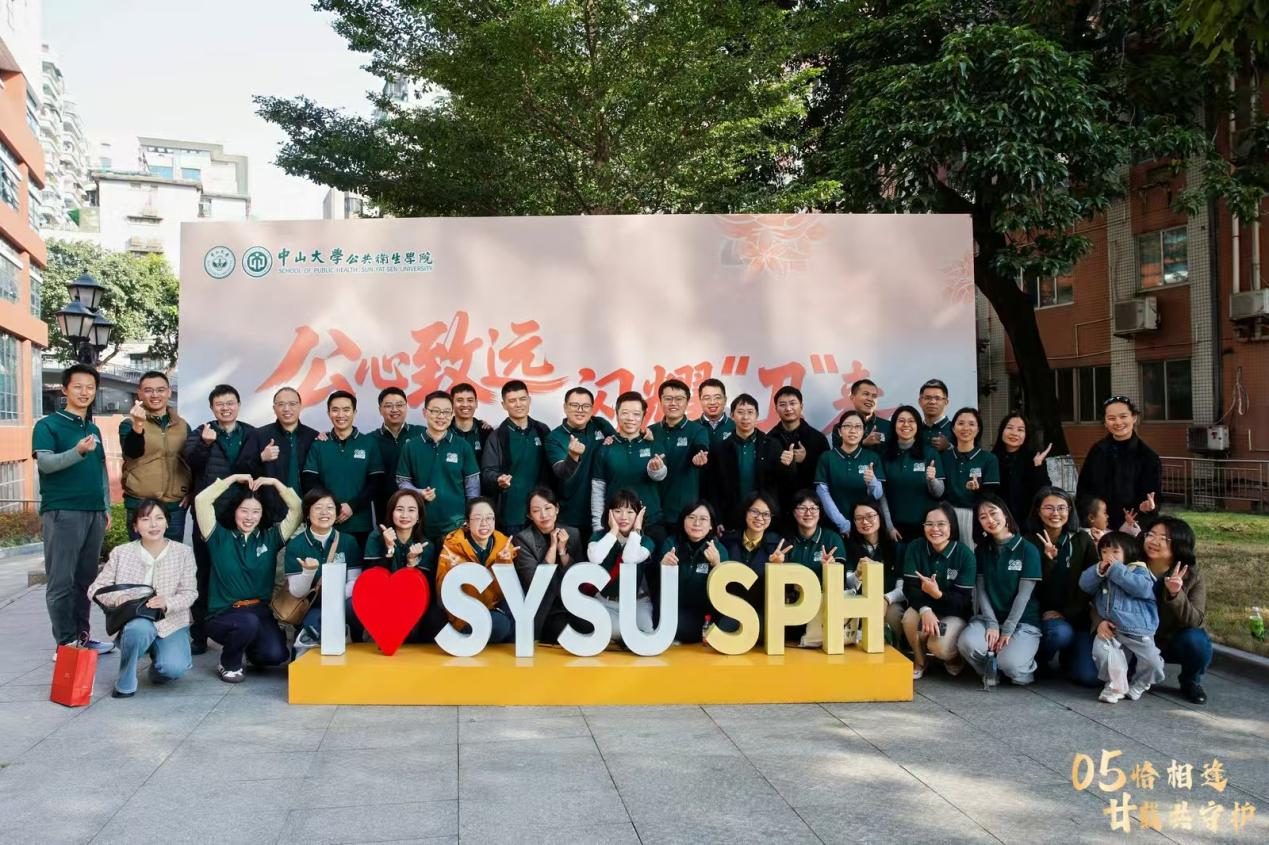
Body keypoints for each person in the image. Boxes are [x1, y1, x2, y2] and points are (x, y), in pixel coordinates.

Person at [33, 364, 114, 655]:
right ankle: (66, 645)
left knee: (85, 581)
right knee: (61, 582)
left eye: (90, 387)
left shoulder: (92, 428)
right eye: (78, 386)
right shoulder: (47, 425)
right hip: (63, 511)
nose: (84, 392)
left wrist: (106, 506)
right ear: (65, 389)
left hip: (94, 512)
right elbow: (46, 464)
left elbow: (101, 470)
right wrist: (77, 451)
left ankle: (83, 637)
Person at [195, 473, 301, 683]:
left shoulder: (270, 538)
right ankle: (229, 663)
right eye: (244, 510)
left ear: (262, 514)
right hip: (224, 613)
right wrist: (233, 479)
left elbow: (297, 509)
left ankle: (246, 647)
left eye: (255, 511)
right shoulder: (218, 536)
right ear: (234, 511)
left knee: (275, 655)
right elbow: (201, 501)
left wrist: (275, 482)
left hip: (259, 612)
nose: (249, 517)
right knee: (247, 623)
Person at [88, 500, 197, 697]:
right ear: (135, 526)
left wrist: (168, 603)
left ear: (167, 522)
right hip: (135, 618)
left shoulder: (183, 552)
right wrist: (118, 597)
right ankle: (125, 680)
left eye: (159, 518)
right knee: (139, 629)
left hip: (170, 622)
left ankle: (158, 666)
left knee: (173, 668)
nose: (153, 525)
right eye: (145, 519)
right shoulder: (121, 552)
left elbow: (190, 592)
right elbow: (95, 588)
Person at [183, 383, 257, 654]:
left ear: (238, 405)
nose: (226, 408)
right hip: (209, 516)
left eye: (230, 403)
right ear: (212, 408)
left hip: (241, 517)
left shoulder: (251, 433)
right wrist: (205, 444)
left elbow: (255, 468)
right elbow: (190, 461)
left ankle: (241, 630)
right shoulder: (201, 431)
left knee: (237, 574)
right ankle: (200, 634)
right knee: (204, 573)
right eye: (220, 404)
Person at [958, 495, 1043, 685]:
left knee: (1012, 666)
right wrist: (992, 623)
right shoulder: (981, 550)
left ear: (1005, 514)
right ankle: (992, 670)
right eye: (983, 517)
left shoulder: (1027, 549)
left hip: (1022, 622)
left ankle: (1020, 666)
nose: (990, 520)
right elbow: (980, 590)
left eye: (993, 513)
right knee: (967, 644)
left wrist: (1008, 629)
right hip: (990, 619)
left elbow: (1024, 595)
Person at [1080, 531, 1166, 703]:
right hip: (1111, 628)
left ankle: (1140, 684)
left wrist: (1116, 570)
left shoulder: (1139, 570)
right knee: (1105, 655)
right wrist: (1098, 571)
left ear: (1128, 552)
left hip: (1138, 629)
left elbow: (1142, 589)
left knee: (1152, 662)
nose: (1109, 556)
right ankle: (1115, 687)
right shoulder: (1102, 571)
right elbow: (1084, 585)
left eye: (1115, 552)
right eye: (1104, 552)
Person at [1026, 487, 1098, 685]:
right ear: (1038, 511)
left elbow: (1093, 582)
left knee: (1088, 677)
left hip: (1076, 615)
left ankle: (1069, 656)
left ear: (1070, 510)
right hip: (1044, 617)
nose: (1055, 513)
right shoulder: (1028, 541)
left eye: (1061, 508)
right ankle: (1040, 658)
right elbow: (1030, 587)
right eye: (1048, 508)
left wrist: (1067, 613)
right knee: (1060, 633)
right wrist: (1048, 561)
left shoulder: (1082, 540)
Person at [284, 488, 365, 657]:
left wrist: (332, 600)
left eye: (329, 508)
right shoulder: (296, 545)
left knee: (354, 607)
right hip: (311, 605)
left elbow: (354, 581)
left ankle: (355, 648)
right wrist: (308, 572)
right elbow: (296, 592)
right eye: (318, 508)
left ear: (336, 512)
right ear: (307, 513)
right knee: (313, 631)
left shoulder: (348, 542)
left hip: (341, 602)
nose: (324, 513)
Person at [302, 390, 385, 548]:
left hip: (360, 524)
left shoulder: (369, 443)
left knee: (358, 564)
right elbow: (309, 482)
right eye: (335, 410)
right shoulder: (319, 444)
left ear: (354, 412)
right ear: (328, 413)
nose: (341, 415)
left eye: (346, 410)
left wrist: (352, 506)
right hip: (326, 523)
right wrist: (333, 507)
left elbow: (376, 483)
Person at [901, 502, 974, 679]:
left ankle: (953, 658)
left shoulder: (964, 554)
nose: (935, 529)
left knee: (939, 646)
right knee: (909, 619)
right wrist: (925, 610)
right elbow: (909, 587)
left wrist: (937, 594)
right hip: (925, 608)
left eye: (941, 524)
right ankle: (920, 661)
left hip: (954, 614)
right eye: (929, 524)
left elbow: (962, 601)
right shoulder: (915, 547)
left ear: (951, 526)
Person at [1142, 517, 1211, 704]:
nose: (1154, 541)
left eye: (1163, 538)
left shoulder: (1192, 574)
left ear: (1180, 545)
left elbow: (1196, 619)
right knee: (1089, 677)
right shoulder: (1132, 562)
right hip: (1133, 638)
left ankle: (1191, 681)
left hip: (1169, 640)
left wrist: (1175, 594)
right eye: (1151, 534)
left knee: (1196, 640)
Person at [396, 390, 480, 542]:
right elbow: (402, 482)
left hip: (456, 525)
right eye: (435, 411)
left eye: (447, 412)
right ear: (425, 412)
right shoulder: (411, 446)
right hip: (420, 525)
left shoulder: (463, 446)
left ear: (452, 414)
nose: (441, 416)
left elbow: (472, 486)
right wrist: (419, 493)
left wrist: (472, 516)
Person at [363, 489, 446, 643]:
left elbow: (424, 591)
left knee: (433, 617)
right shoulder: (376, 537)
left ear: (419, 516)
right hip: (382, 601)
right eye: (399, 509)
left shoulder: (425, 545)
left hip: (411, 604)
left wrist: (411, 564)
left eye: (411, 510)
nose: (405, 515)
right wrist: (389, 550)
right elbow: (370, 581)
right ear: (391, 512)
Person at [119, 370, 190, 541]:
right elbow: (132, 452)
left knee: (172, 554)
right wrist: (138, 424)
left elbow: (191, 460)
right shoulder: (129, 423)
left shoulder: (182, 425)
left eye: (160, 390)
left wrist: (192, 491)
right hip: (140, 504)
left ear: (169, 392)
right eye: (148, 390)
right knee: (140, 555)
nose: (155, 395)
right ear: (139, 393)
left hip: (174, 506)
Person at [591, 391, 669, 545]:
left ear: (643, 416)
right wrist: (597, 525)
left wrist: (656, 469)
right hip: (616, 525)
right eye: (625, 413)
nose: (630, 418)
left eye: (636, 414)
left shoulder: (654, 444)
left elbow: (661, 476)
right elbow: (598, 489)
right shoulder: (606, 447)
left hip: (651, 522)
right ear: (617, 414)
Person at [437, 498, 518, 643]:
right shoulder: (451, 548)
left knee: (516, 612)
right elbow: (441, 594)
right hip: (466, 616)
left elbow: (505, 592)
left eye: (489, 518)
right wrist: (453, 573)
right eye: (477, 518)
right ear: (467, 522)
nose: (484, 523)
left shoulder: (504, 546)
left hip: (493, 607)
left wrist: (503, 563)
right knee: (501, 625)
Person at [1077, 396, 1162, 532]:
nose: (1118, 422)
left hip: (1132, 528)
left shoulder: (1148, 456)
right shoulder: (1098, 450)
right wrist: (1090, 519)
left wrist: (1149, 507)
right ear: (1105, 422)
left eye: (1123, 416)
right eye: (1111, 418)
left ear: (1134, 418)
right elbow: (1083, 490)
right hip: (1098, 528)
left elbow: (1154, 498)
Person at [512, 487, 583, 644]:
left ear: (556, 509)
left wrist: (562, 551)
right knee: (564, 634)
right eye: (536, 511)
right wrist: (553, 547)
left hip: (571, 603)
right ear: (529, 515)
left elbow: (579, 577)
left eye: (548, 508)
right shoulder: (522, 540)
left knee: (588, 627)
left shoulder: (573, 534)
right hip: (545, 608)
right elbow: (536, 584)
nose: (543, 515)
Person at [544, 387, 615, 543]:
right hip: (570, 516)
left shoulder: (600, 424)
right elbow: (561, 472)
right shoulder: (554, 437)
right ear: (565, 407)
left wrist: (644, 435)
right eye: (574, 405)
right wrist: (573, 456)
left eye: (585, 406)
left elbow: (621, 442)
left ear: (592, 408)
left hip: (603, 512)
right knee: (571, 557)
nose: (580, 410)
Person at [480, 380, 552, 533]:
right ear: (504, 405)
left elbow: (555, 466)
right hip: (512, 514)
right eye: (512, 401)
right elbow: (487, 472)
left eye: (522, 399)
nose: (518, 404)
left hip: (542, 513)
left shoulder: (542, 430)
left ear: (529, 400)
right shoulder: (497, 436)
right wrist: (498, 479)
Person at [586, 489, 657, 644]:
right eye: (618, 511)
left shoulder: (646, 541)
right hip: (606, 603)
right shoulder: (599, 536)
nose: (624, 517)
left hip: (637, 603)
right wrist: (613, 532)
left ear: (638, 516)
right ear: (609, 513)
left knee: (647, 635)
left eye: (630, 512)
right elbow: (595, 558)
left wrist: (636, 530)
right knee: (620, 632)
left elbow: (629, 558)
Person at [704, 393, 778, 532]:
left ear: (757, 416)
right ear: (732, 415)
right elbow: (713, 488)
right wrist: (717, 519)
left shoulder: (771, 445)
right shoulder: (720, 449)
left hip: (763, 518)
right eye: (740, 412)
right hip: (730, 519)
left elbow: (778, 485)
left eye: (750, 412)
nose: (745, 417)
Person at [659, 501, 730, 643]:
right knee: (665, 623)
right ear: (683, 521)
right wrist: (662, 566)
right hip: (672, 609)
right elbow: (656, 584)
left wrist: (717, 564)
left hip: (703, 614)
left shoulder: (718, 549)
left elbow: (726, 590)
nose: (696, 523)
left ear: (711, 525)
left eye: (703, 519)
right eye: (691, 517)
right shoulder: (670, 543)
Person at [248, 386, 318, 524]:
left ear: (300, 406)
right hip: (271, 518)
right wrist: (261, 458)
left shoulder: (313, 437)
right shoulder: (259, 435)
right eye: (281, 404)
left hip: (307, 515)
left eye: (292, 404)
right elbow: (241, 469)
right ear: (274, 408)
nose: (286, 409)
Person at [650, 380, 712, 534]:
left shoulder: (697, 430)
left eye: (679, 399)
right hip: (653, 512)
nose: (673, 403)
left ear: (687, 402)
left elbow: (701, 447)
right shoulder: (651, 432)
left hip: (684, 513)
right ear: (660, 401)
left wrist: (700, 455)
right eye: (668, 398)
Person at [766, 386, 830, 533]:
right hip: (780, 509)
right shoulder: (769, 439)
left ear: (801, 406)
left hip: (810, 508)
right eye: (783, 404)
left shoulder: (817, 438)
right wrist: (782, 465)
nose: (788, 408)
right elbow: (766, 476)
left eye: (793, 403)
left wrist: (807, 459)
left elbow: (826, 474)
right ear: (776, 409)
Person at [720, 491, 782, 634]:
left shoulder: (778, 546)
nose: (759, 518)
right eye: (754, 511)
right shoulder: (727, 542)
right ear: (745, 512)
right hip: (729, 609)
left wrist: (777, 568)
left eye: (766, 514)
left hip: (761, 612)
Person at [880, 405, 944, 543]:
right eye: (901, 421)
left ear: (918, 425)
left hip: (925, 527)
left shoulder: (929, 453)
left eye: (911, 421)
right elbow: (881, 494)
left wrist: (932, 480)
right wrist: (889, 526)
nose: (906, 425)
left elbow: (939, 493)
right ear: (894, 425)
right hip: (895, 529)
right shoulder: (885, 454)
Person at [815, 410, 885, 536]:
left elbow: (877, 495)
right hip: (834, 526)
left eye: (858, 427)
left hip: (866, 525)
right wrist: (842, 523)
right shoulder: (827, 457)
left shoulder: (872, 457)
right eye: (847, 426)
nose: (853, 431)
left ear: (864, 432)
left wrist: (872, 482)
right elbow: (822, 493)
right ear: (839, 431)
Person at [844, 499, 905, 641]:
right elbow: (848, 586)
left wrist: (886, 599)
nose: (865, 522)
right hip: (858, 601)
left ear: (880, 517)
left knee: (894, 614)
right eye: (859, 518)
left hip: (889, 601)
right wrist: (857, 574)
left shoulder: (896, 547)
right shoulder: (848, 546)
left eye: (870, 516)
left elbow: (903, 588)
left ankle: (894, 648)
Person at [943, 407, 999, 549]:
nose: (966, 428)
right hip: (947, 515)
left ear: (978, 429)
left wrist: (978, 489)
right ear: (953, 428)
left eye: (971, 424)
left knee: (972, 555)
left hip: (974, 516)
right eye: (961, 423)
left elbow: (990, 495)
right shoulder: (944, 457)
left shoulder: (989, 459)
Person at [370, 386, 424, 520]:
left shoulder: (421, 434)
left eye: (399, 405)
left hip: (418, 504)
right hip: (384, 506)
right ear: (380, 410)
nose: (394, 409)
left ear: (406, 407)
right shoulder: (370, 440)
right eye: (388, 406)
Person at [991, 412, 1052, 524]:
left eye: (1020, 430)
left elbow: (1044, 492)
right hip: (997, 522)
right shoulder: (991, 459)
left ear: (1026, 434)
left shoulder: (1034, 458)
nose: (1014, 433)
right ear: (1002, 431)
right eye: (1010, 428)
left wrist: (1038, 466)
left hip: (1026, 523)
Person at [830, 379, 891, 454]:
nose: (870, 399)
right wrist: (863, 443)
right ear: (852, 398)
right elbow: (838, 455)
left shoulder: (888, 426)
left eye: (874, 396)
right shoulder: (840, 428)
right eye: (866, 394)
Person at [449, 382, 493, 460]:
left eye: (470, 400)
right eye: (460, 400)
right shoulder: (444, 430)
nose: (465, 404)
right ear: (452, 404)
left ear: (476, 403)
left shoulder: (486, 432)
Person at [696, 378, 735, 447]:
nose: (712, 402)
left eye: (717, 397)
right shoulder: (691, 428)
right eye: (707, 398)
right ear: (700, 400)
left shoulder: (736, 427)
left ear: (725, 400)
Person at [917, 379, 953, 451]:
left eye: (937, 398)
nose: (932, 402)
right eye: (927, 398)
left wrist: (949, 447)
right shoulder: (914, 430)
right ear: (920, 401)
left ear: (946, 402)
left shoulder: (956, 429)